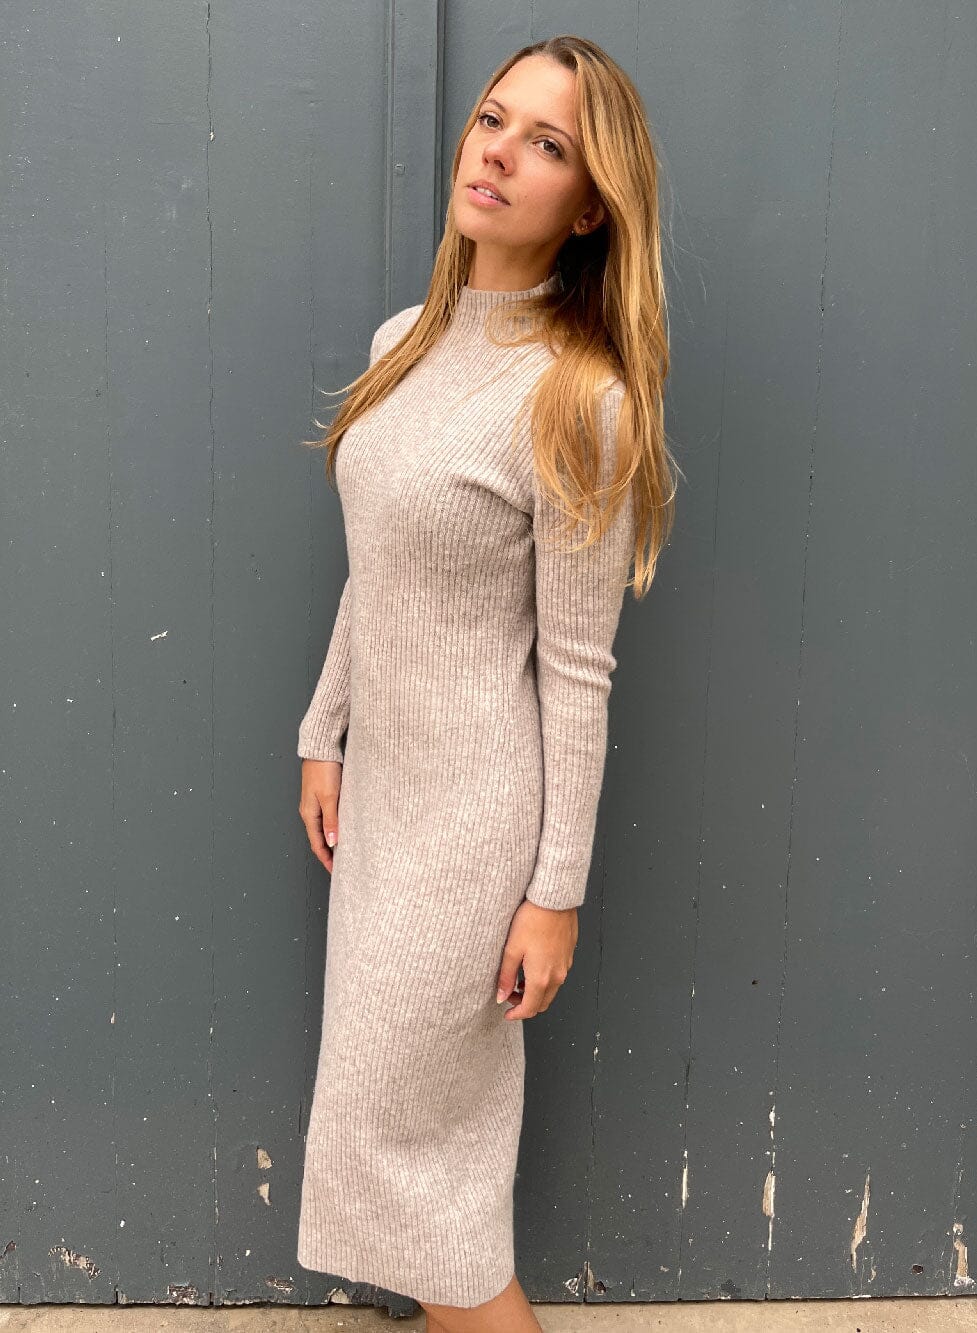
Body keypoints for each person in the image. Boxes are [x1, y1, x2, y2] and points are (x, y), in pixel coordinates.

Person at [294, 33, 677, 1333]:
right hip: (384, 808)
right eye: (492, 120)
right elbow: (378, 565)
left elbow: (578, 671)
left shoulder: (579, 400)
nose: (499, 152)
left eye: (547, 143)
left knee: (428, 1190)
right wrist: (324, 728)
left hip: (472, 836)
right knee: (398, 1166)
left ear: (591, 205)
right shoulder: (405, 341)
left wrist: (553, 895)